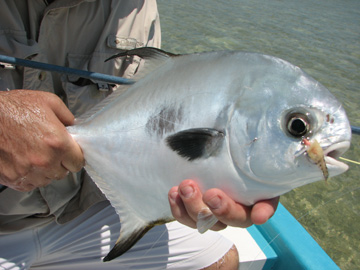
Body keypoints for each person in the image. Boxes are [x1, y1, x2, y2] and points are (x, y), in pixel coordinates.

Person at [0, 1, 279, 269]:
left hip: (81, 210)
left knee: (219, 261)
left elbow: (152, 117)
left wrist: (235, 179)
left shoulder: (135, 7)